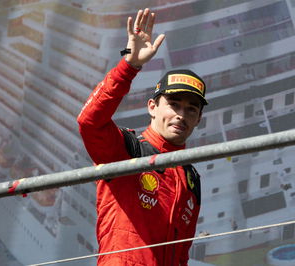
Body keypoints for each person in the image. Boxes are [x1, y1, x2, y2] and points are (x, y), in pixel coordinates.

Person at [77, 8, 207, 266]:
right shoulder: (127, 150)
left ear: (198, 119)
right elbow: (89, 122)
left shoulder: (191, 177)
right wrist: (130, 65)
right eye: (174, 104)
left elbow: (181, 254)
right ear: (152, 107)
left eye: (191, 109)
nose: (181, 115)